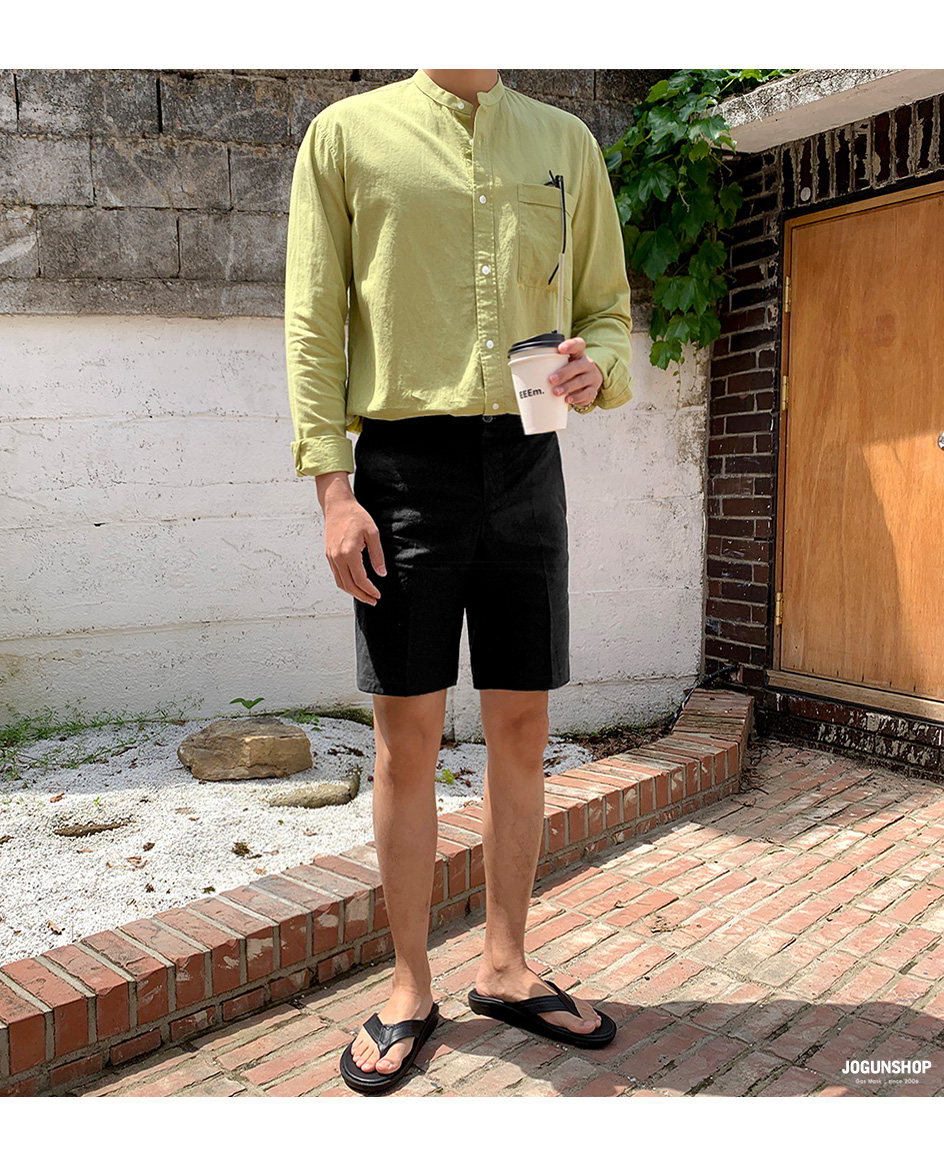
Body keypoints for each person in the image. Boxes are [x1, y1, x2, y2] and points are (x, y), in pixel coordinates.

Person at [285, 68, 633, 1094]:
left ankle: (506, 966)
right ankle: (407, 985)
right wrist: (334, 493)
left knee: (522, 726)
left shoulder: (564, 141)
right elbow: (314, 321)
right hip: (404, 470)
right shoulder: (346, 136)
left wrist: (597, 369)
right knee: (407, 739)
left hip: (529, 462)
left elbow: (607, 310)